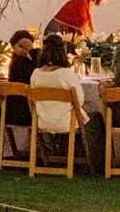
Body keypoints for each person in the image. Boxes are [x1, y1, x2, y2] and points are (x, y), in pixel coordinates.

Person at [29, 35, 95, 169]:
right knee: (95, 119)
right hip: (66, 122)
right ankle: (89, 163)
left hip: (41, 121)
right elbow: (79, 100)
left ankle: (57, 157)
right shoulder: (66, 73)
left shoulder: (36, 73)